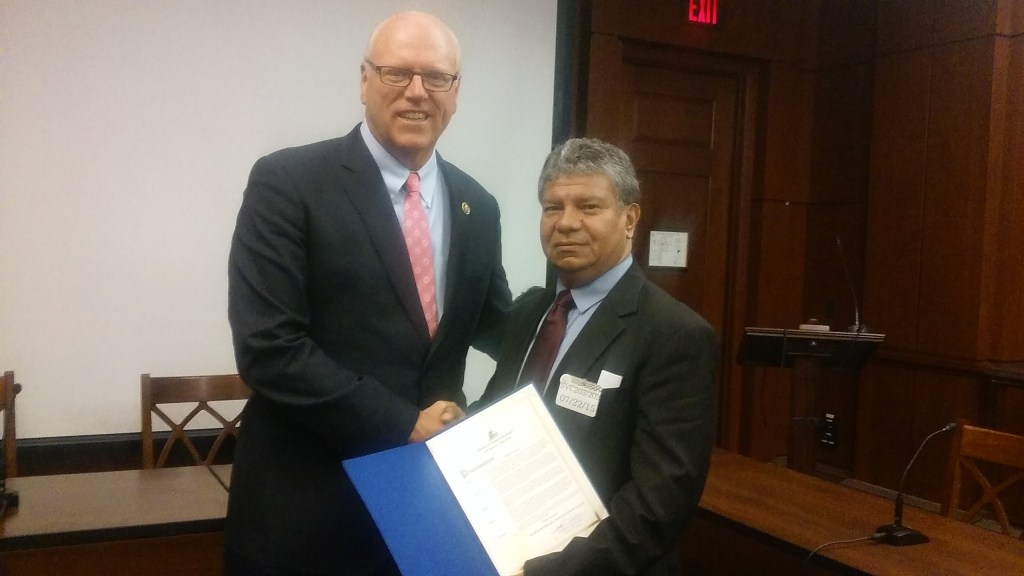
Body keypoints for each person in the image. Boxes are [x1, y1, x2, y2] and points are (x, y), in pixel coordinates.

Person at [225, 11, 511, 576]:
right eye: (396, 73)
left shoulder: (477, 206)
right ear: (363, 80)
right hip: (309, 508)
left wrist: (594, 310)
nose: (416, 92)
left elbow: (497, 324)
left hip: (428, 508)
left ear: (456, 93)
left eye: (436, 77)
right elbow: (269, 346)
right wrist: (401, 422)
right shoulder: (289, 183)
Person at [477, 138, 718, 576]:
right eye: (553, 207)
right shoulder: (530, 312)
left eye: (588, 207)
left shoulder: (675, 335)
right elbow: (498, 416)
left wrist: (551, 571)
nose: (566, 223)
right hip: (504, 554)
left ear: (630, 218)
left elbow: (659, 504)